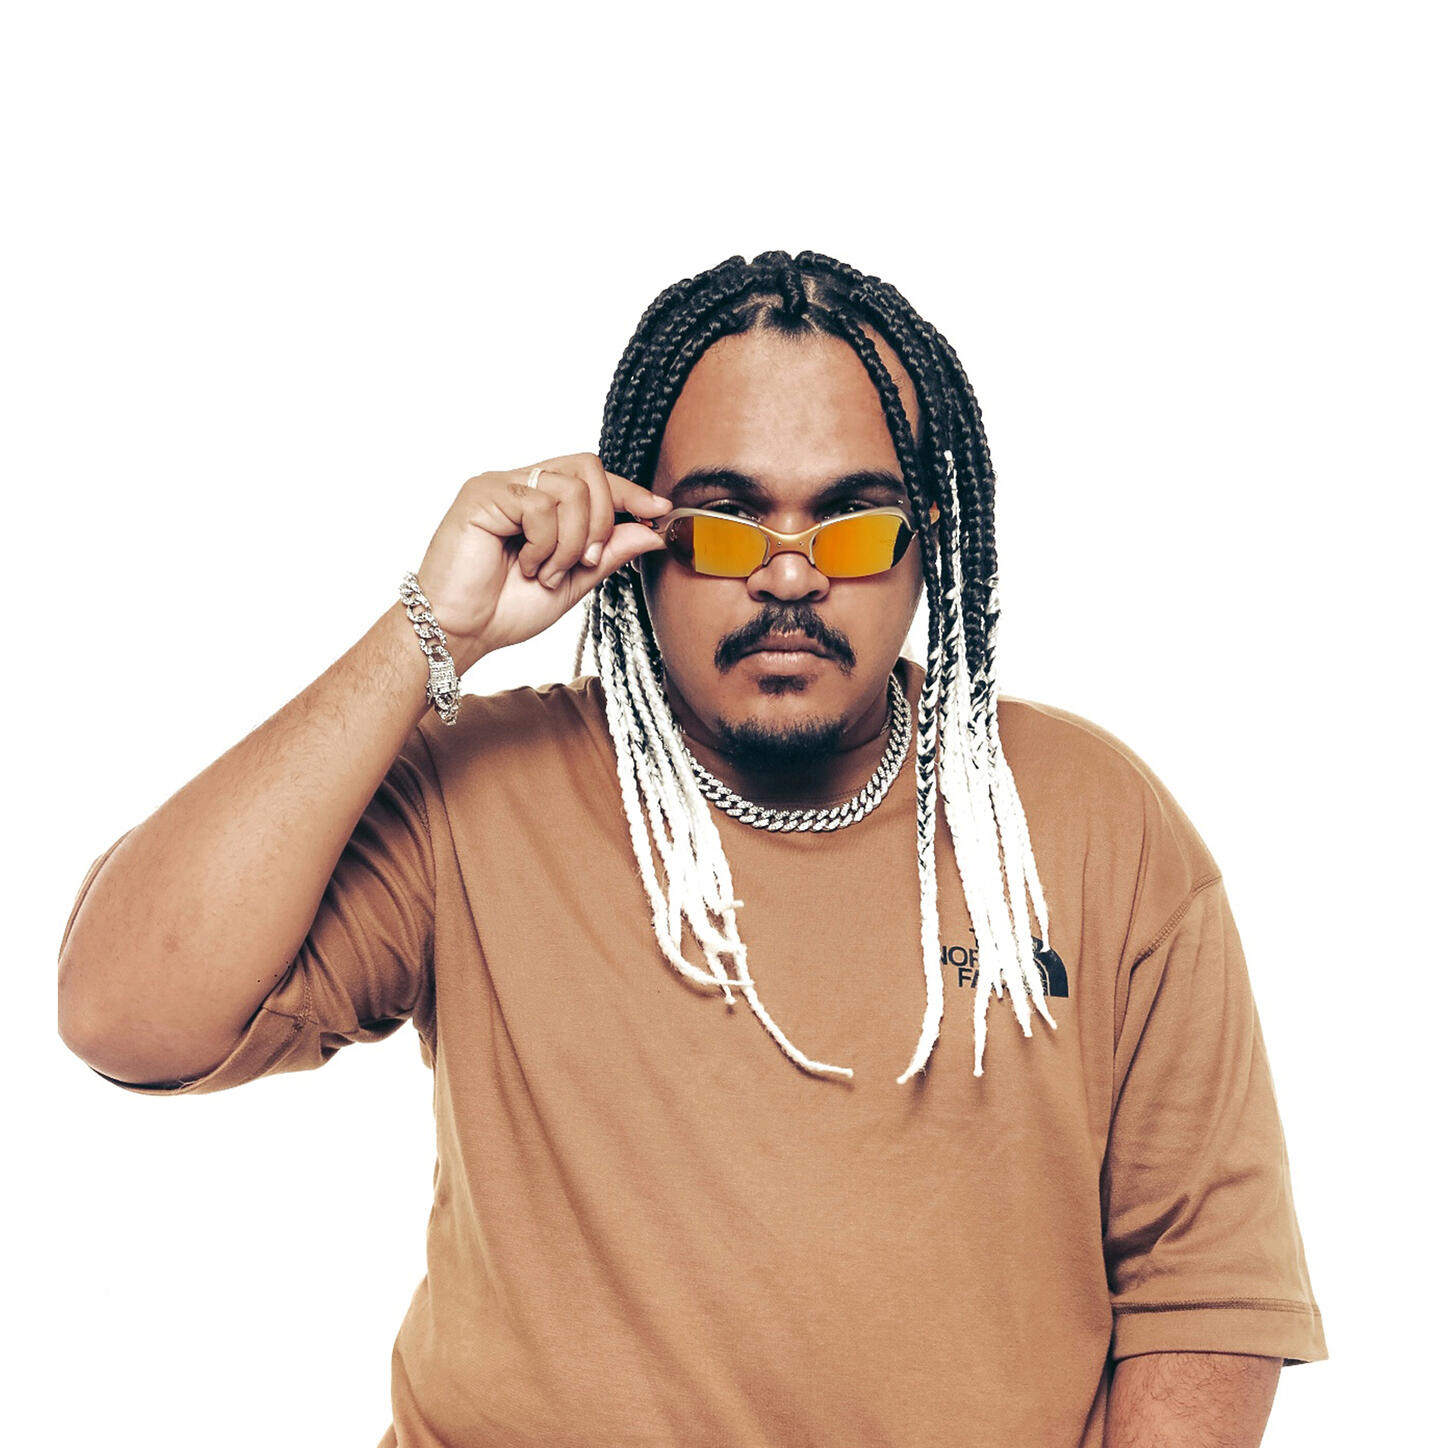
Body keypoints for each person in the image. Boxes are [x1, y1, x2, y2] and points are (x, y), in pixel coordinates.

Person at [57, 249, 1326, 1447]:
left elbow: (1203, 1283)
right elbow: (124, 1009)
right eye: (725, 524)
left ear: (925, 544)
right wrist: (429, 630)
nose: (789, 578)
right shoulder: (476, 789)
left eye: (850, 523)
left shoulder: (1088, 821)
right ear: (638, 541)